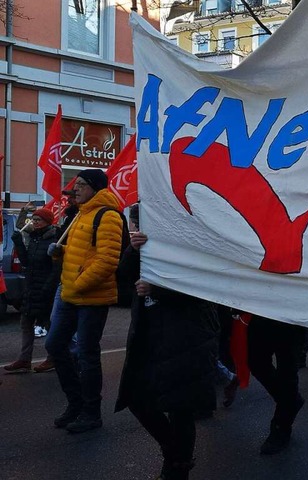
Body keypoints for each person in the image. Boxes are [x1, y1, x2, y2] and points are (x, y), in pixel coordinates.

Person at [115, 230, 219, 480]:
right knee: (137, 398)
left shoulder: (196, 236)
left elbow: (206, 283)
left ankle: (177, 469)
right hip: (150, 333)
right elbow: (124, 275)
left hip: (187, 334)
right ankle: (174, 454)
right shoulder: (150, 238)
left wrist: (158, 290)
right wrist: (133, 249)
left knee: (180, 406)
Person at [45, 169, 124, 433]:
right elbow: (83, 252)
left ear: (94, 187)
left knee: (88, 354)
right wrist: (61, 252)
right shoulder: (82, 213)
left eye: (80, 184)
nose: (74, 188)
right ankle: (75, 403)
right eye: (75, 184)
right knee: (55, 345)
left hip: (90, 297)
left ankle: (91, 412)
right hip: (71, 293)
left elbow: (107, 261)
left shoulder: (108, 216)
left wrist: (77, 285)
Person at [4, 208, 60, 374]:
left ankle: (52, 358)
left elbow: (56, 268)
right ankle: (24, 359)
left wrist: (47, 288)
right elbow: (26, 261)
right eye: (33, 219)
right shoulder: (35, 239)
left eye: (38, 220)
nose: (34, 222)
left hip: (44, 291)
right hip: (31, 288)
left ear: (48, 222)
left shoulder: (54, 239)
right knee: (26, 324)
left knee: (49, 325)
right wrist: (18, 243)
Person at [247, 315, 306, 455]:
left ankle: (281, 427)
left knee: (287, 371)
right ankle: (290, 403)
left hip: (291, 317)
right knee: (256, 362)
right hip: (261, 313)